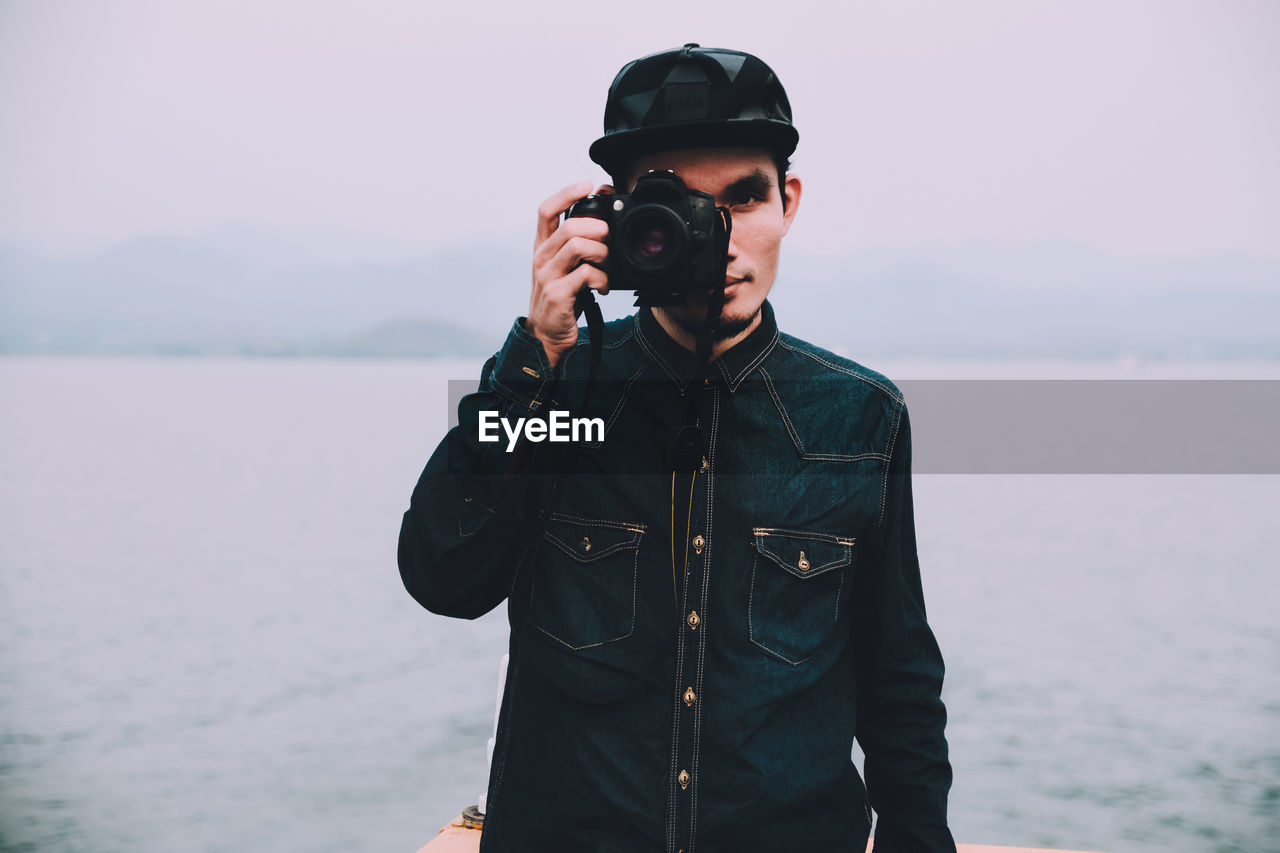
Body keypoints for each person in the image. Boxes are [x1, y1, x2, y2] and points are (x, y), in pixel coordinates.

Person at [399, 44, 955, 852]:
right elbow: (443, 576)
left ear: (789, 201)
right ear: (618, 222)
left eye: (745, 197)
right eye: (681, 208)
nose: (721, 236)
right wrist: (534, 359)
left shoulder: (858, 417)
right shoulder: (560, 396)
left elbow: (900, 683)